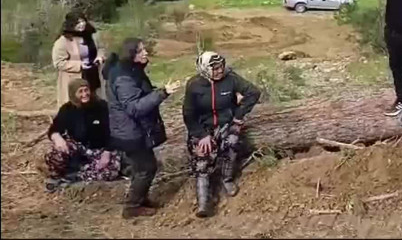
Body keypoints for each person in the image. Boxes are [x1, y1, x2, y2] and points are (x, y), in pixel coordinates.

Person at [105, 38, 181, 219]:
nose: (146, 53)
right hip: (130, 132)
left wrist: (159, 91)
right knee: (146, 168)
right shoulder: (124, 78)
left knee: (143, 167)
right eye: (141, 51)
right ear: (131, 54)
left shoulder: (130, 71)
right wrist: (163, 93)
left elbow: (140, 94)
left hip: (131, 130)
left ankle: (140, 199)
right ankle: (132, 206)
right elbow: (134, 107)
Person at [183, 51, 261, 218]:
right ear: (205, 69)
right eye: (215, 68)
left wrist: (239, 116)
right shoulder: (194, 85)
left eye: (221, 67)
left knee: (232, 143)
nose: (220, 71)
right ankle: (203, 202)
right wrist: (201, 135)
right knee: (202, 157)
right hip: (202, 128)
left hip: (226, 123)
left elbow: (253, 92)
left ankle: (227, 179)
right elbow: (188, 115)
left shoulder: (231, 78)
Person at [44, 78, 121, 189]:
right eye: (80, 91)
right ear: (73, 94)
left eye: (86, 90)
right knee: (55, 153)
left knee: (110, 171)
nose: (85, 94)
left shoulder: (101, 106)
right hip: (79, 147)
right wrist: (57, 138)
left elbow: (114, 130)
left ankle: (74, 176)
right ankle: (61, 175)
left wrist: (107, 152)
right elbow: (54, 129)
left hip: (100, 149)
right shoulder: (67, 109)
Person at [52, 12, 107, 106]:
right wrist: (79, 65)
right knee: (76, 106)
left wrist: (100, 57)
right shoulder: (62, 41)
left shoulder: (93, 36)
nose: (81, 24)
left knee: (95, 104)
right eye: (78, 23)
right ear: (70, 25)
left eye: (83, 21)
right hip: (75, 79)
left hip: (93, 76)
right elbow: (58, 63)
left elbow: (101, 49)